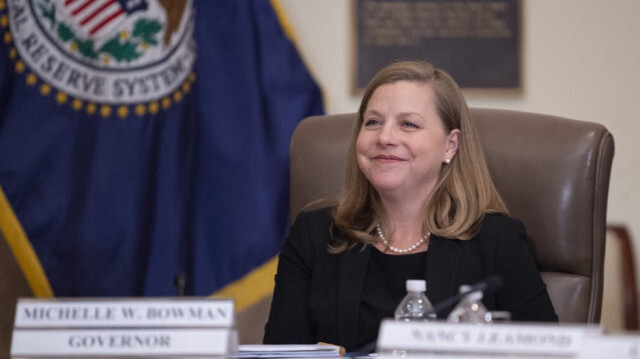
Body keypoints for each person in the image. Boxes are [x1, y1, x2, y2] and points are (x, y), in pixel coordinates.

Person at [263, 61, 558, 352]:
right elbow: (279, 353)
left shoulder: (496, 242)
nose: (385, 137)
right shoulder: (315, 235)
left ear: (450, 145)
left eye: (408, 124)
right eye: (373, 122)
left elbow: (550, 356)